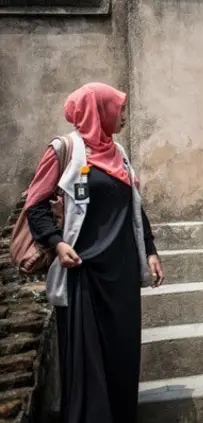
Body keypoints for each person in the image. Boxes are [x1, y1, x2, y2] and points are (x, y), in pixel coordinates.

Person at [24, 82, 165, 423]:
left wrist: (149, 250)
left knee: (122, 356)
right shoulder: (65, 149)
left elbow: (135, 207)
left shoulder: (119, 154)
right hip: (82, 273)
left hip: (122, 275)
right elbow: (35, 205)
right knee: (87, 362)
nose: (125, 117)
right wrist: (57, 243)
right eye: (120, 110)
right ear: (99, 111)